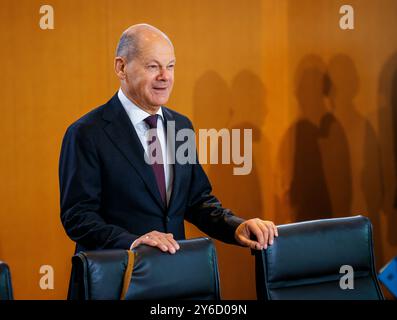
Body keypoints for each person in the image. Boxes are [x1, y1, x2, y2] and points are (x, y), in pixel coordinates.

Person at [59, 23, 278, 257]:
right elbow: (78, 216)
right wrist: (133, 242)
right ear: (121, 67)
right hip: (117, 279)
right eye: (153, 66)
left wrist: (236, 226)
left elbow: (197, 201)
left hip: (172, 276)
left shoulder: (180, 126)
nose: (165, 77)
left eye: (170, 66)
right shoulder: (86, 133)